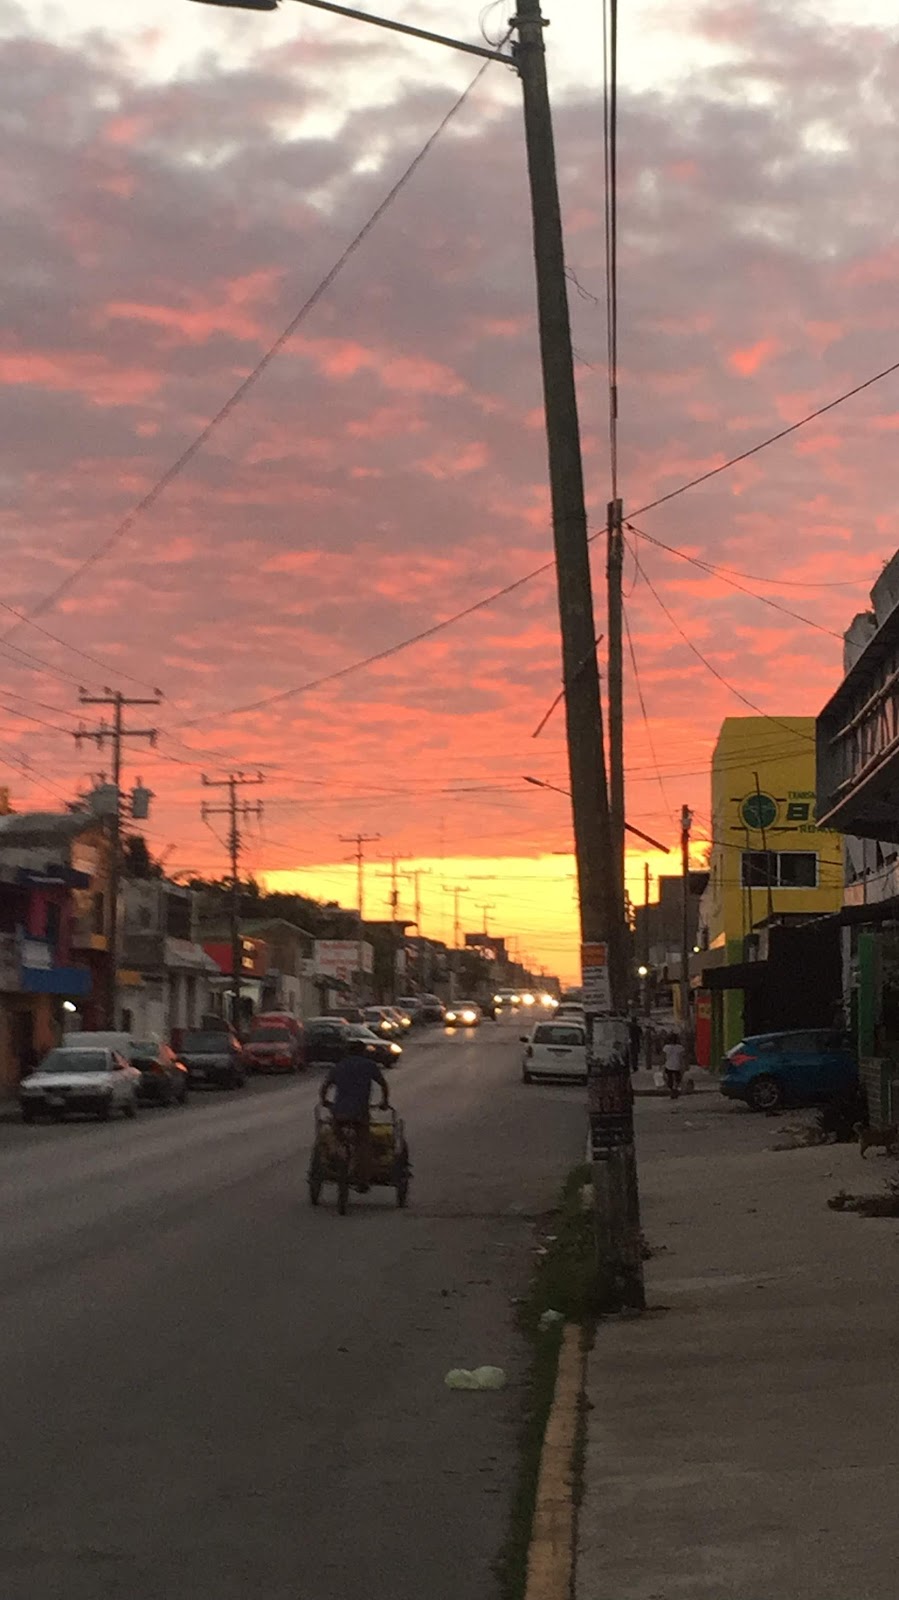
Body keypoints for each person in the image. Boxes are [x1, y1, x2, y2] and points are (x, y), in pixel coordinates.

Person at [320, 1042, 390, 1191]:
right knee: (363, 1143)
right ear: (363, 1052)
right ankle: (362, 1180)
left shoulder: (339, 1066)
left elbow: (325, 1087)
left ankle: (339, 1153)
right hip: (360, 1113)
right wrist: (384, 1102)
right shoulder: (369, 1065)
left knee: (337, 1135)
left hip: (339, 1113)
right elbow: (383, 1084)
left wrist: (325, 1101)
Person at [661, 1033, 687, 1100]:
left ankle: (672, 1089)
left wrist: (661, 1065)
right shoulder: (680, 1048)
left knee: (669, 1079)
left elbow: (663, 1058)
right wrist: (684, 1065)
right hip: (677, 1066)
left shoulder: (666, 1047)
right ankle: (675, 1089)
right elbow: (682, 1058)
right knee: (678, 1079)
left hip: (668, 1065)